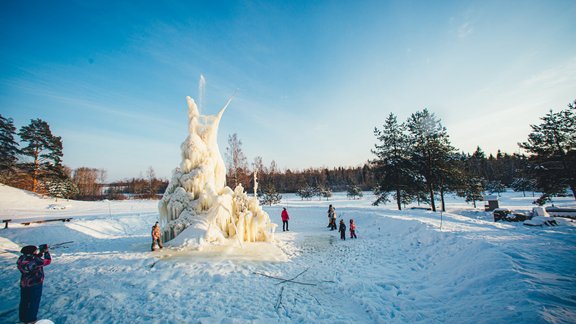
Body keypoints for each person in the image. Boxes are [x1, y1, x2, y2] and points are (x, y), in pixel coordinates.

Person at [17, 244, 51, 323]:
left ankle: (22, 318)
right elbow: (48, 261)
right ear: (32, 252)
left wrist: (40, 253)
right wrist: (46, 252)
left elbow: (34, 259)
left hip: (24, 283)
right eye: (35, 250)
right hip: (35, 283)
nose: (36, 251)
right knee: (34, 302)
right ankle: (31, 320)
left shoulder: (22, 258)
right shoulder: (35, 260)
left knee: (24, 301)